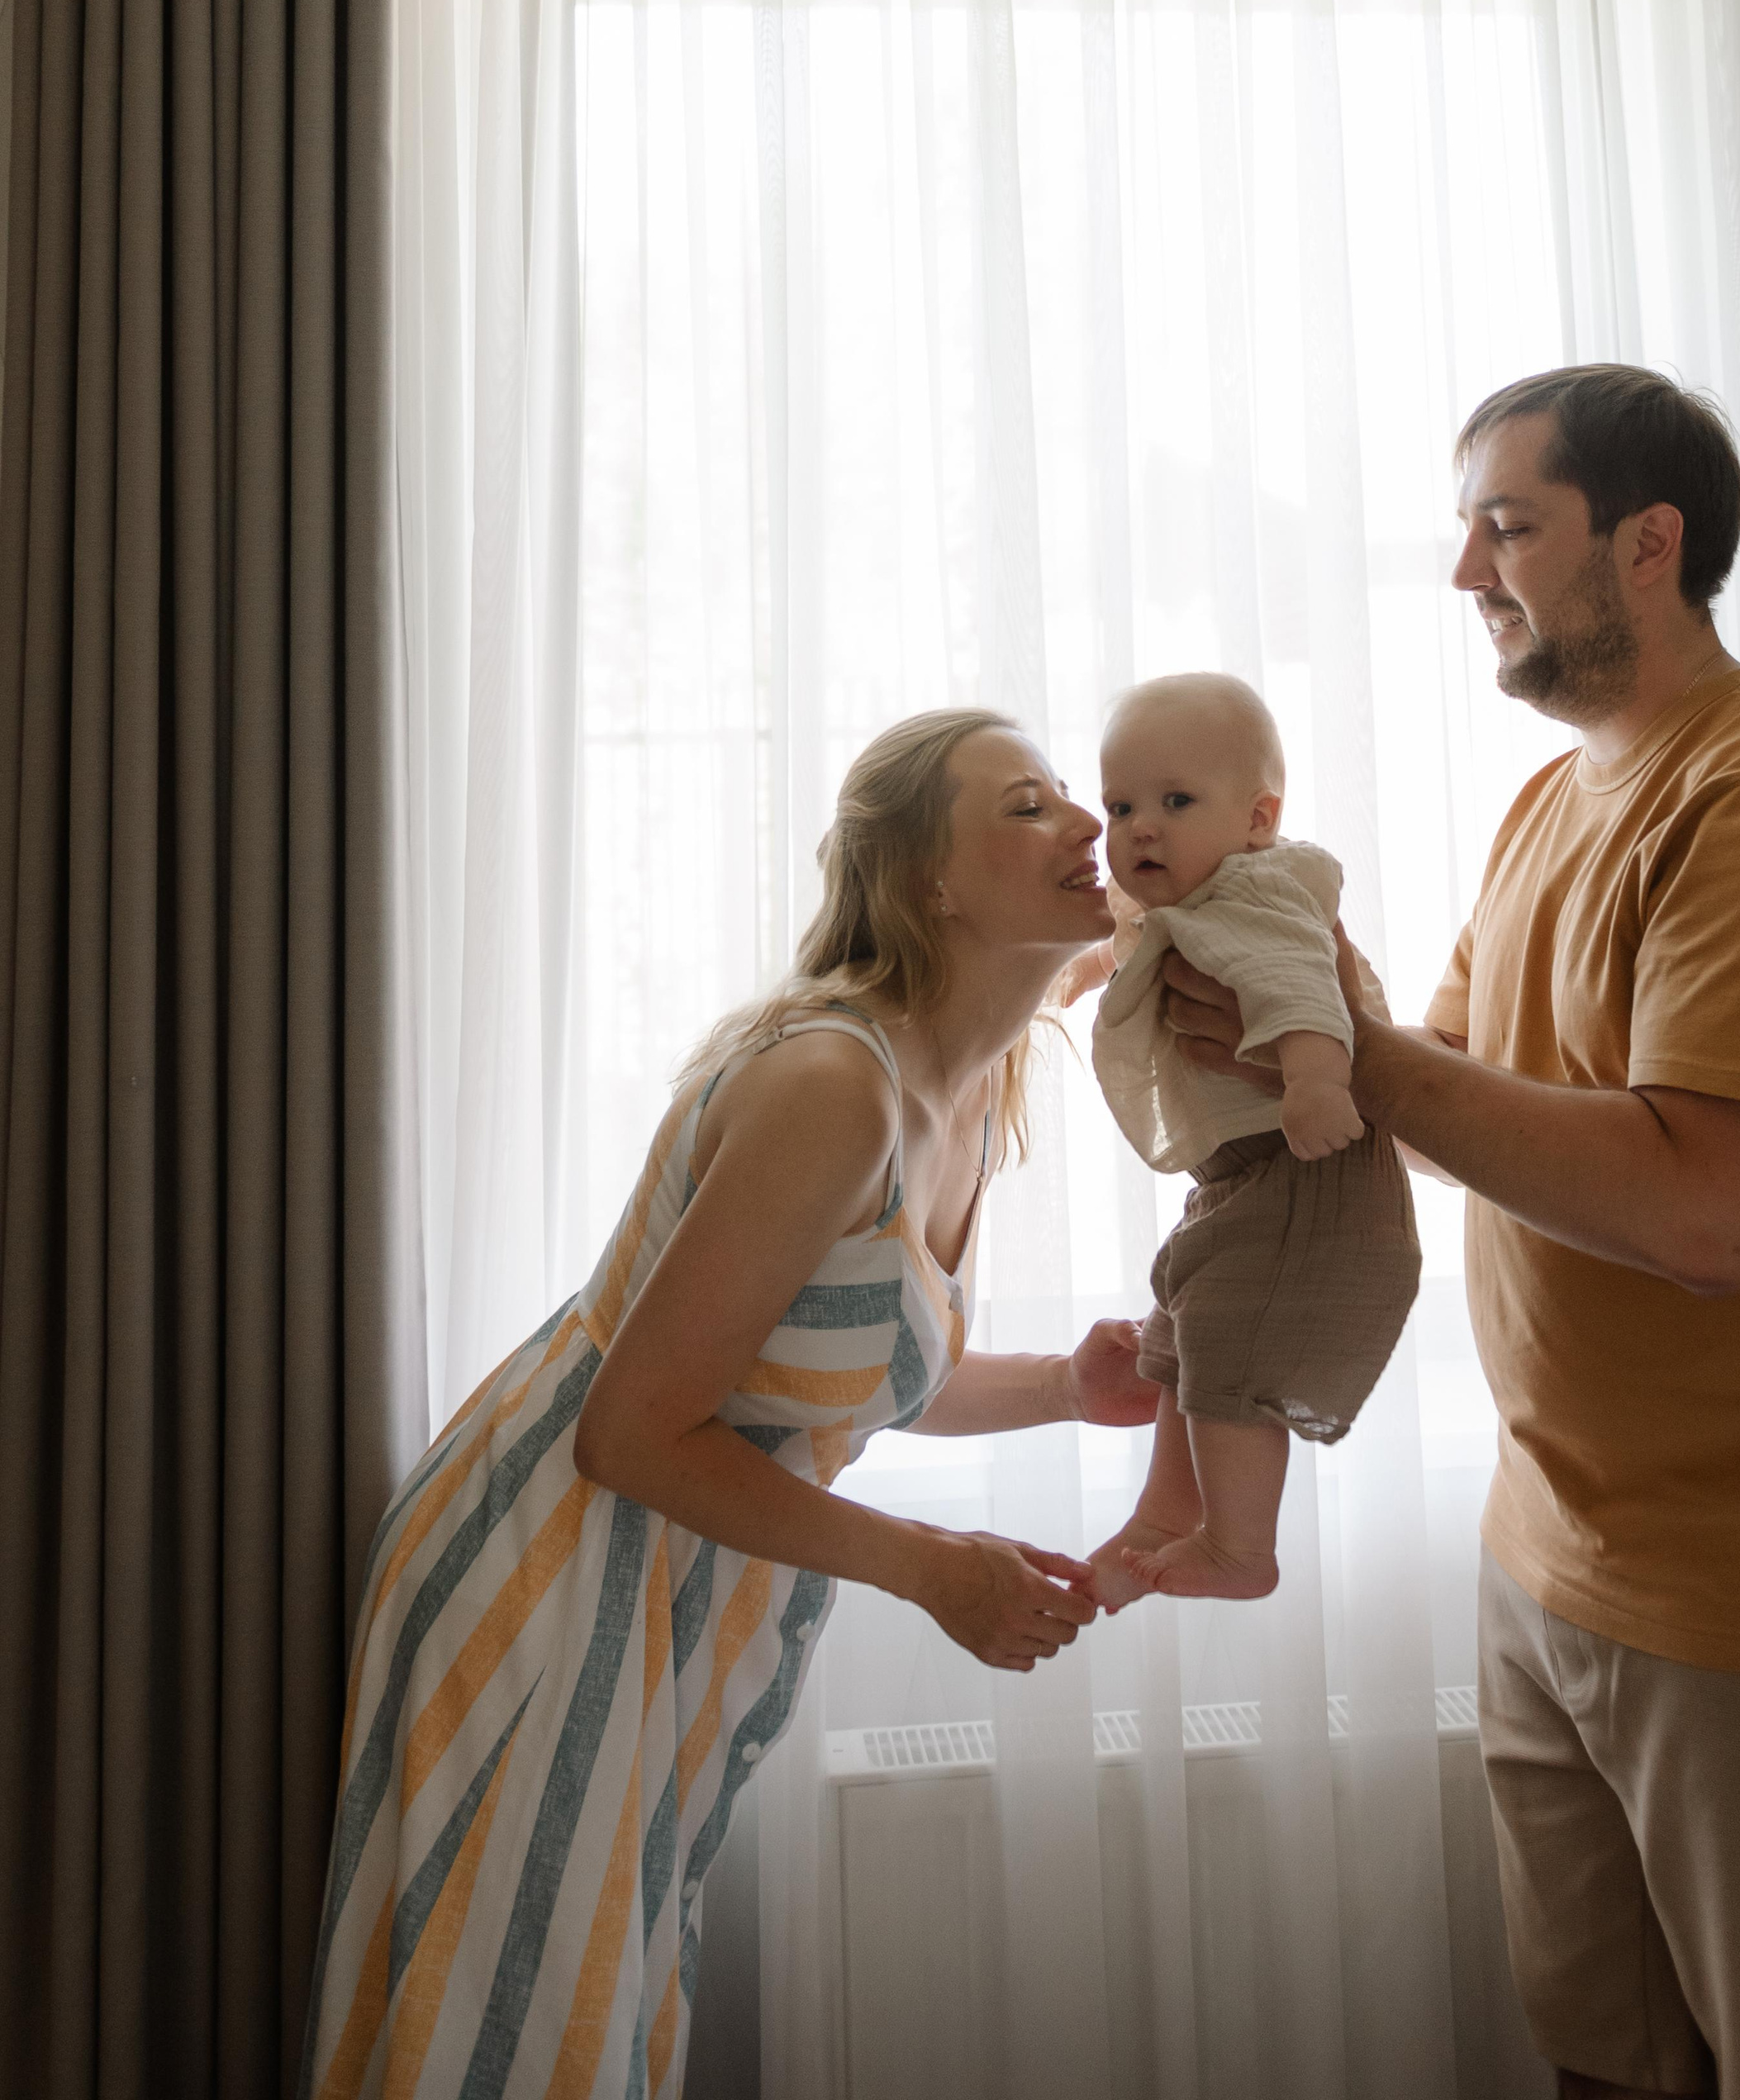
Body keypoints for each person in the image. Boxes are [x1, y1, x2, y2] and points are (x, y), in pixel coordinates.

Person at [1162, 365, 1740, 2100]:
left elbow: (1708, 1214)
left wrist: (1369, 1063)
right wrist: (1285, 1013)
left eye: (1504, 523)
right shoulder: (1561, 797)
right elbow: (1465, 1084)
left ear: (1646, 545)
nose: (1465, 569)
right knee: (1604, 2063)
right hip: (1552, 1550)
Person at [301, 709, 1154, 2100]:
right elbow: (631, 1432)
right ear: (927, 878)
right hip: (553, 1568)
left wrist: (1066, 1386)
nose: (1088, 825)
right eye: (1030, 804)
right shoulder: (835, 1085)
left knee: (591, 2010)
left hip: (661, 1575)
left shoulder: (974, 1080)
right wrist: (934, 1570)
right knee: (510, 2038)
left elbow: (807, 1383)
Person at [1077, 672, 1419, 1604]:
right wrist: (1086, 963)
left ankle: (1241, 1546)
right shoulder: (1196, 897)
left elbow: (1306, 988)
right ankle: (1163, 1511)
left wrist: (1313, 1079)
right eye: (1120, 805)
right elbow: (1139, 940)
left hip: (1308, 1164)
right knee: (1182, 1326)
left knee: (1226, 1337)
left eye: (1175, 801)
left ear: (1260, 817)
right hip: (1248, 1176)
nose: (1140, 826)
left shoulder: (1258, 893)